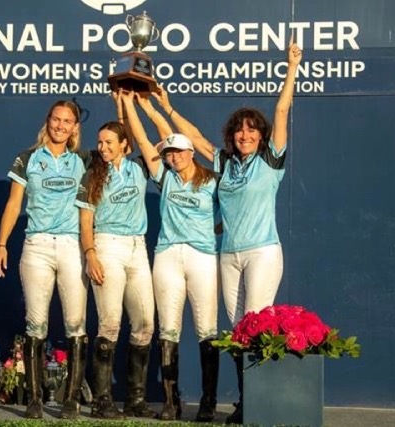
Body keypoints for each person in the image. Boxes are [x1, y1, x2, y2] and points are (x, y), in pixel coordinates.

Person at [151, 37, 303, 424]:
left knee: (254, 321)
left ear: (261, 135)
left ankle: (256, 402)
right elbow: (196, 139)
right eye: (239, 131)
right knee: (237, 330)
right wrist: (167, 107)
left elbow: (281, 110)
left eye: (251, 131)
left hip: (262, 252)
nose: (245, 136)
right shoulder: (224, 163)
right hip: (228, 255)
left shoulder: (271, 159)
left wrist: (292, 68)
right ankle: (244, 402)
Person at [121, 90, 220, 422]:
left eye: (178, 151)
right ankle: (170, 401)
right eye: (168, 153)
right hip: (167, 257)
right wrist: (131, 105)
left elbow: (229, 216)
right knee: (169, 330)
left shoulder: (213, 181)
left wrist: (154, 108)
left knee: (207, 328)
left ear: (191, 152)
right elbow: (143, 141)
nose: (173, 157)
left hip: (202, 257)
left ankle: (208, 402)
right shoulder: (165, 178)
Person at [0, 100, 91, 420]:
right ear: (48, 121)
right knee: (36, 323)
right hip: (36, 245)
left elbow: (123, 145)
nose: (60, 126)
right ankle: (34, 399)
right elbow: (13, 204)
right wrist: (1, 243)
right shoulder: (28, 158)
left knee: (76, 324)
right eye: (56, 119)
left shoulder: (84, 160)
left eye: (67, 121)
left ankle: (71, 400)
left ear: (75, 127)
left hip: (73, 246)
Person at [75, 118, 156, 420]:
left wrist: (126, 103)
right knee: (109, 324)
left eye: (109, 142)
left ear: (124, 144)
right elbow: (85, 223)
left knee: (145, 324)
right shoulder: (92, 175)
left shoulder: (139, 168)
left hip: (138, 247)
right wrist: (91, 255)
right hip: (107, 245)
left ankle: (135, 399)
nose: (102, 147)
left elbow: (140, 136)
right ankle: (102, 401)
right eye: (100, 142)